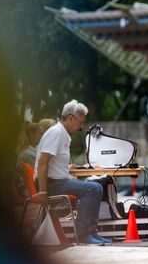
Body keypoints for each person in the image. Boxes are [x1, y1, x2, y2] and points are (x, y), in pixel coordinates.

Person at [34, 100, 110, 245]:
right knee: (92, 189)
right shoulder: (56, 133)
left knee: (98, 186)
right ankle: (82, 235)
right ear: (70, 118)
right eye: (80, 122)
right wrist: (43, 192)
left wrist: (68, 168)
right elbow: (43, 161)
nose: (82, 127)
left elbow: (52, 162)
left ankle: (92, 233)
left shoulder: (62, 134)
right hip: (50, 184)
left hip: (56, 181)